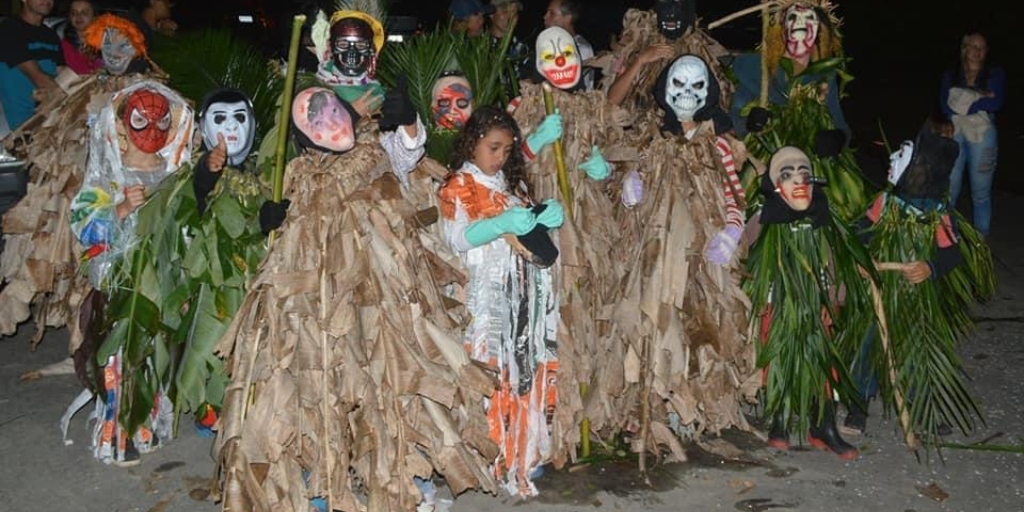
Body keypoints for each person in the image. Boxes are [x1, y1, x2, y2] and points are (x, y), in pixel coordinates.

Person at [438, 105, 565, 497]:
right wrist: (498, 225)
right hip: (484, 305)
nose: (501, 157)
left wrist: (541, 217)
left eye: (508, 150)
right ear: (473, 143)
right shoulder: (457, 185)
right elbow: (455, 239)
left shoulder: (510, 187)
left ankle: (519, 452)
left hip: (520, 301)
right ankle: (486, 457)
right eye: (494, 148)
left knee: (521, 373)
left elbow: (525, 235)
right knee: (489, 376)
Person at [844, 116, 992, 440]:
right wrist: (862, 260)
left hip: (915, 295)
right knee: (870, 343)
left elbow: (951, 253)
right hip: (883, 287)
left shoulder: (938, 212)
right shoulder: (886, 202)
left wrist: (930, 267)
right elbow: (861, 232)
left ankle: (921, 406)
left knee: (917, 349)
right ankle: (858, 402)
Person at [743, 146, 876, 460]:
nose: (798, 182)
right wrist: (754, 296)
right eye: (788, 176)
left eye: (804, 174)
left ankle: (823, 424)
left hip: (816, 308)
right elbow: (744, 257)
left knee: (822, 364)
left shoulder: (824, 220)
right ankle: (779, 419)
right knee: (778, 360)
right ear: (775, 185)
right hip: (777, 307)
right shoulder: (763, 219)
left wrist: (834, 301)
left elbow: (838, 264)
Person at [939, 31, 1005, 237]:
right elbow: (944, 105)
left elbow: (995, 102)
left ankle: (979, 245)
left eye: (981, 48)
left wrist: (961, 98)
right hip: (954, 132)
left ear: (986, 52)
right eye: (972, 46)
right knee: (948, 191)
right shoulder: (951, 74)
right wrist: (978, 96)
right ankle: (945, 240)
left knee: (981, 194)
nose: (976, 51)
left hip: (983, 135)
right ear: (964, 48)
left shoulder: (995, 74)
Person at [0, 0, 66, 131]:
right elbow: (38, 78)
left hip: (49, 122)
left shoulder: (51, 35)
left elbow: (62, 72)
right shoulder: (8, 29)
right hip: (21, 128)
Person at [542, 0, 595, 90]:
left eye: (552, 13)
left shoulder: (581, 48)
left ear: (567, 18)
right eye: (547, 12)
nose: (545, 17)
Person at [488, 0, 530, 99]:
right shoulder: (479, 48)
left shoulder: (522, 49)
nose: (510, 18)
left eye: (514, 13)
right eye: (505, 12)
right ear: (491, 15)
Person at [62, 0, 103, 75]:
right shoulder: (62, 47)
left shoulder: (105, 43)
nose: (78, 16)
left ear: (95, 16)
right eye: (73, 13)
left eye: (84, 13)